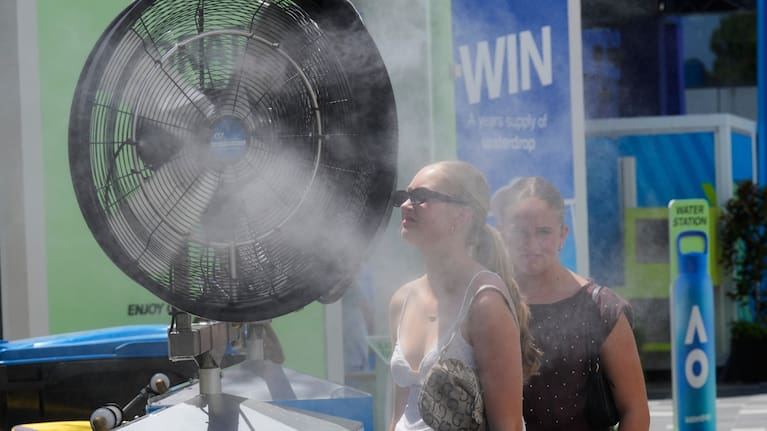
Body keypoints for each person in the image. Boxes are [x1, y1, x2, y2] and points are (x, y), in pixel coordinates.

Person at [387, 160, 540, 431]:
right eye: (405, 196)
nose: (405, 205)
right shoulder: (402, 299)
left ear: (461, 216)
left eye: (421, 198)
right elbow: (399, 414)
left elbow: (510, 425)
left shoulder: (484, 302)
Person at [491, 176, 650, 431]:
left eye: (543, 232)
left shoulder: (600, 308)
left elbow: (636, 411)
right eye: (520, 232)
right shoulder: (487, 300)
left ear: (562, 235)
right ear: (501, 233)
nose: (532, 244)